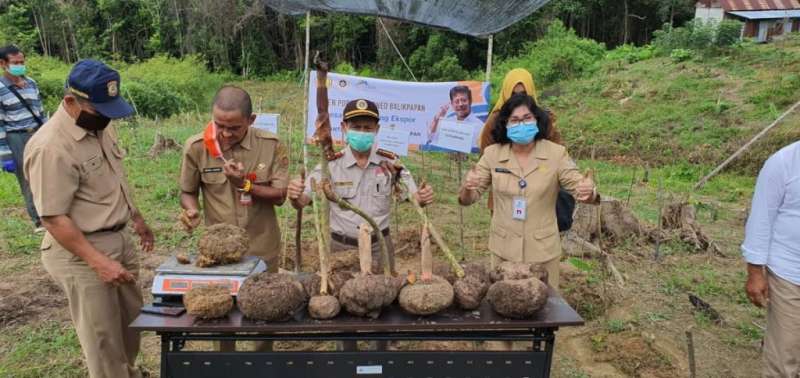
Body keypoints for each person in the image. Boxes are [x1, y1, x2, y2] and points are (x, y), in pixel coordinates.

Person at [23, 60, 154, 378]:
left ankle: (129, 372)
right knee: (103, 339)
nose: (107, 118)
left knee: (130, 323)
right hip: (82, 252)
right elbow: (53, 219)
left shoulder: (97, 125)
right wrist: (99, 262)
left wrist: (135, 217)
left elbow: (113, 177)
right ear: (71, 102)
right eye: (100, 111)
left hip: (118, 239)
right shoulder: (50, 148)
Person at [458, 94, 598, 289]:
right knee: (504, 304)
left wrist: (587, 191)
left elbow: (578, 185)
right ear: (505, 124)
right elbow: (468, 198)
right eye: (514, 120)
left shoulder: (556, 153)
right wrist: (467, 187)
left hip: (543, 252)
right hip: (503, 250)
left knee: (545, 308)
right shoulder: (493, 154)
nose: (521, 124)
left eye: (526, 118)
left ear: (536, 120)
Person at [288, 98, 434, 274]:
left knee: (383, 295)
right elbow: (302, 201)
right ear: (344, 128)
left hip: (379, 247)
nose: (362, 132)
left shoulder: (390, 163)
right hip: (341, 248)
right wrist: (295, 195)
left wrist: (423, 197)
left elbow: (413, 197)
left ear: (377, 130)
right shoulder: (331, 165)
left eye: (367, 128)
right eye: (356, 127)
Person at [179, 85, 289, 270]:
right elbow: (187, 192)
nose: (226, 133)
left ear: (251, 120)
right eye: (219, 125)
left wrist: (244, 185)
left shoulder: (271, 145)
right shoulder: (196, 147)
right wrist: (192, 210)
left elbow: (280, 196)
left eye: (234, 128)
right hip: (218, 250)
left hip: (262, 249)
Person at [741, 141, 800, 378]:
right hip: (789, 272)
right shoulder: (783, 162)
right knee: (784, 353)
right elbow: (761, 218)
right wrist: (755, 272)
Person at [0, 45, 47, 232]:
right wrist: (5, 155)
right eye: (15, 63)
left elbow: (41, 113)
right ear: (3, 64)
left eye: (22, 62)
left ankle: (54, 212)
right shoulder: (1, 88)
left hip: (36, 133)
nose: (20, 65)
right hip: (16, 137)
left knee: (47, 174)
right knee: (27, 179)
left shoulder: (32, 83)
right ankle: (39, 220)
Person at [478, 68, 562, 151]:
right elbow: (486, 156)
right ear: (506, 94)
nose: (519, 99)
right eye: (513, 94)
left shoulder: (544, 119)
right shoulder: (495, 121)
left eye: (524, 94)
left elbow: (558, 152)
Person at [427, 85, 484, 150]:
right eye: (457, 101)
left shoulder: (480, 127)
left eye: (464, 100)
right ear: (452, 104)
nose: (460, 104)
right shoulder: (448, 122)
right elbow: (431, 138)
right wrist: (436, 119)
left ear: (470, 101)